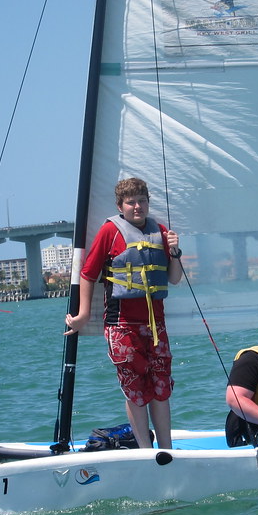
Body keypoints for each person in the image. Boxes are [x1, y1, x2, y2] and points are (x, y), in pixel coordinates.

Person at [65, 177, 182, 449]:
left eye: (142, 201)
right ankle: (144, 450)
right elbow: (88, 273)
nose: (138, 207)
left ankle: (166, 449)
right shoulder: (110, 232)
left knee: (161, 389)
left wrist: (175, 252)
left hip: (155, 326)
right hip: (122, 326)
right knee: (136, 391)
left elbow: (174, 279)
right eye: (131, 202)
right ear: (121, 205)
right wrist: (83, 315)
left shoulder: (161, 232)